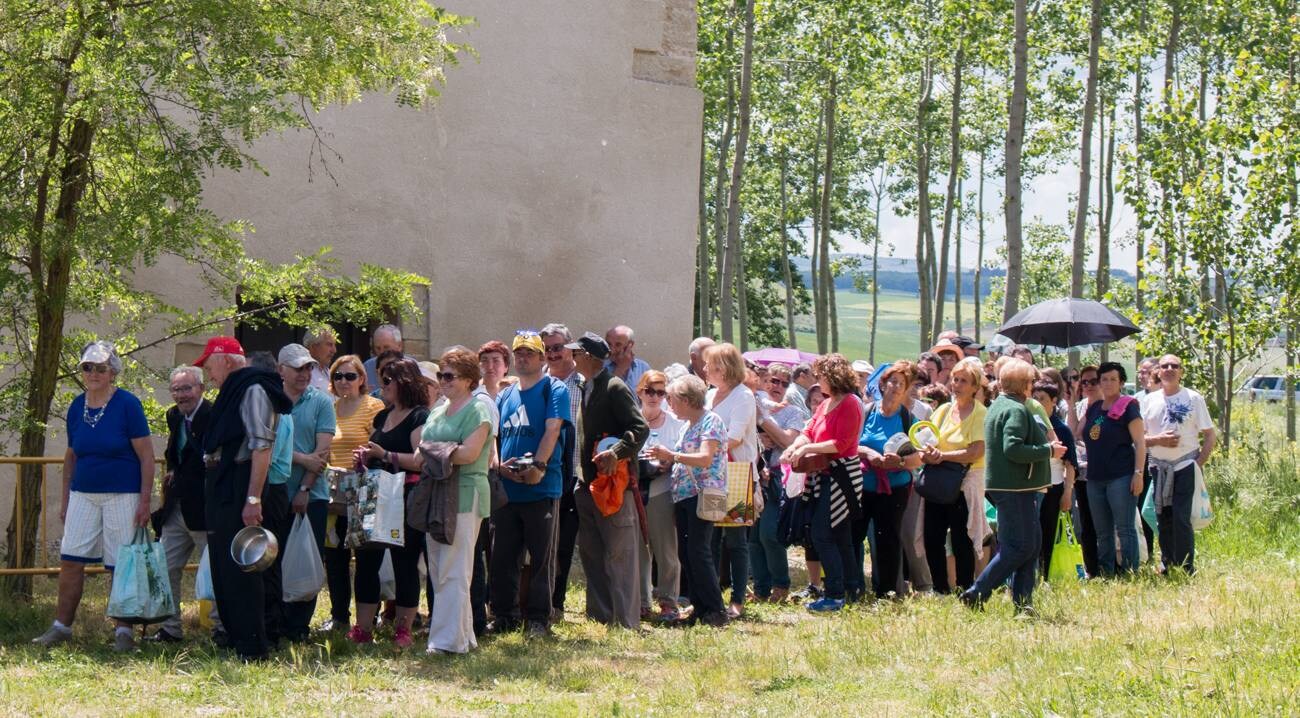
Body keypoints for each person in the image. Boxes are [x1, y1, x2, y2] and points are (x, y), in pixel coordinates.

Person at [34, 342, 154, 652]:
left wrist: (144, 501)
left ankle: (124, 631)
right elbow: (71, 456)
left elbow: (147, 457)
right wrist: (65, 499)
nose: (93, 373)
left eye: (100, 368)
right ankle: (62, 626)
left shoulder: (128, 404)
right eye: (88, 367)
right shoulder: (76, 406)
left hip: (122, 494)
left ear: (113, 371)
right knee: (70, 560)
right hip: (83, 494)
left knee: (120, 564)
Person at [197, 336, 292, 661]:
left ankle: (253, 646)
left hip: (241, 484)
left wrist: (253, 498)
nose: (209, 376)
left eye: (209, 367)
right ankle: (237, 640)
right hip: (222, 482)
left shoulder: (253, 388)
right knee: (223, 566)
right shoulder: (234, 388)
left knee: (243, 566)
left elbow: (261, 446)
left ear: (224, 359)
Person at [961, 359, 1064, 612]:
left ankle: (1023, 602)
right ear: (1024, 385)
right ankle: (977, 592)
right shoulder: (1016, 410)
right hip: (1016, 487)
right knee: (1020, 547)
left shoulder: (998, 406)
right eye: (1031, 382)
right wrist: (1048, 450)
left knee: (1030, 544)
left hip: (1010, 486)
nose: (1032, 386)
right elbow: (1013, 448)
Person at [489, 331, 571, 637]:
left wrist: (538, 466)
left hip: (541, 487)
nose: (524, 358)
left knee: (541, 559)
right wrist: (498, 467)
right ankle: (504, 615)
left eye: (530, 353)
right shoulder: (504, 395)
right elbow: (493, 437)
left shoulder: (554, 389)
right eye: (519, 353)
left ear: (540, 358)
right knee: (503, 558)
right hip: (508, 491)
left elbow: (552, 430)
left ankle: (538, 619)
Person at [568, 332, 649, 629]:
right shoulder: (584, 385)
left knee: (620, 556)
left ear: (588, 357)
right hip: (587, 485)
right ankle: (601, 616)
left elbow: (639, 429)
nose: (571, 357)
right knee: (593, 554)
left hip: (613, 486)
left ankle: (626, 623)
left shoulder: (615, 388)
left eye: (575, 353)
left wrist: (616, 452)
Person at [348, 358, 431, 647]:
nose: (380, 386)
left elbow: (421, 461)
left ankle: (404, 629)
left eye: (386, 381)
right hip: (375, 492)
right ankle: (363, 628)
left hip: (405, 496)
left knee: (404, 562)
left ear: (403, 383)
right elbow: (376, 449)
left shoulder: (420, 416)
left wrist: (384, 455)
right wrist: (364, 455)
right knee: (367, 561)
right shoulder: (383, 417)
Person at [421, 348, 495, 654]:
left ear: (467, 379)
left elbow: (470, 454)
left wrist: (434, 451)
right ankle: (464, 637)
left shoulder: (478, 410)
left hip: (465, 495)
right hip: (437, 493)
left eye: (449, 375)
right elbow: (419, 451)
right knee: (439, 568)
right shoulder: (438, 410)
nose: (443, 381)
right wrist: (441, 450)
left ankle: (445, 642)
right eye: (441, 375)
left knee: (455, 568)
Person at [779, 354, 865, 612]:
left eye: (821, 376)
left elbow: (840, 443)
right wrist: (795, 446)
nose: (818, 380)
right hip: (823, 476)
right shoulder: (825, 404)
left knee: (823, 533)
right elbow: (808, 431)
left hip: (841, 476)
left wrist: (806, 451)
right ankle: (852, 588)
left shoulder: (851, 403)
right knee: (839, 536)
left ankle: (835, 593)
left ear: (833, 376)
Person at [147, 365, 220, 644]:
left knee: (214, 572)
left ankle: (220, 630)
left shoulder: (214, 415)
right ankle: (170, 629)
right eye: (176, 389)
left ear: (201, 388)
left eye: (187, 388)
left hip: (205, 507)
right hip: (176, 506)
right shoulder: (174, 416)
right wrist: (173, 473)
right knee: (165, 566)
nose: (181, 395)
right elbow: (175, 455)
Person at [649, 375, 728, 626]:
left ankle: (715, 610)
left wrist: (671, 455)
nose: (668, 404)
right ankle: (700, 608)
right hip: (684, 496)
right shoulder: (688, 425)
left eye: (671, 399)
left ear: (685, 399)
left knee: (699, 551)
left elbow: (705, 458)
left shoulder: (710, 421)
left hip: (702, 495)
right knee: (687, 553)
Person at [276, 344, 336, 642]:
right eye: (298, 368)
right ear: (281, 370)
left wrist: (304, 488)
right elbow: (268, 447)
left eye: (308, 367)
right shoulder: (270, 399)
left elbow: (322, 452)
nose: (304, 374)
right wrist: (300, 458)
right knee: (276, 557)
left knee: (306, 557)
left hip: (311, 494)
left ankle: (298, 627)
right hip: (275, 491)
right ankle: (276, 620)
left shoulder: (322, 402)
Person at [322, 354, 384, 632]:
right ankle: (338, 617)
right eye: (338, 376)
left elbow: (377, 445)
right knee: (335, 558)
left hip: (364, 489)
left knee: (366, 559)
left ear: (362, 379)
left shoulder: (374, 406)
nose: (344, 381)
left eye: (350, 376)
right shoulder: (329, 408)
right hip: (333, 492)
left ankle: (366, 620)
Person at [1142, 354, 1216, 575]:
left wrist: (1199, 462)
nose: (1170, 369)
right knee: (1163, 516)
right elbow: (1139, 438)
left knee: (1181, 517)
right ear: (1158, 371)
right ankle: (1167, 563)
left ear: (1182, 372)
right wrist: (1158, 441)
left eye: (1175, 366)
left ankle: (1186, 567)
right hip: (1158, 466)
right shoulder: (1149, 400)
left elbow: (1210, 435)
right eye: (1165, 366)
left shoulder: (1193, 398)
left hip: (1185, 465)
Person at [919, 358, 987, 595]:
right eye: (955, 379)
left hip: (964, 485)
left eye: (964, 381)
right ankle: (939, 588)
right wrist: (928, 453)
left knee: (962, 539)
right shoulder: (943, 410)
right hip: (938, 482)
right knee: (932, 537)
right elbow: (928, 439)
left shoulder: (980, 413)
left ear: (975, 387)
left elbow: (976, 451)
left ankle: (966, 587)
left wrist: (943, 456)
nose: (957, 385)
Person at [858, 361, 924, 599]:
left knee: (888, 539)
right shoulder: (865, 413)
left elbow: (918, 459)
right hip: (862, 486)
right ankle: (853, 586)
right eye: (892, 382)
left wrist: (899, 462)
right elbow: (850, 445)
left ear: (906, 389)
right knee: (854, 536)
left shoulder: (909, 419)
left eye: (901, 384)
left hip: (894, 488)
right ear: (882, 384)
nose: (896, 387)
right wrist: (868, 454)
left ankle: (886, 592)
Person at [702, 342, 757, 618]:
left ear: (722, 368)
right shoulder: (710, 395)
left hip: (735, 473)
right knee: (709, 539)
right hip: (711, 475)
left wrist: (702, 448)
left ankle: (737, 599)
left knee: (735, 540)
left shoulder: (744, 396)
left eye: (709, 365)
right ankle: (711, 598)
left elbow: (734, 437)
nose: (704, 370)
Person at [1081, 361, 1146, 576]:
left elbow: (1140, 442)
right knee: (1103, 532)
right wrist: (1074, 396)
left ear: (1121, 382)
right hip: (1095, 478)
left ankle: (1129, 572)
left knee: (1125, 528)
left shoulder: (1128, 406)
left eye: (1112, 379)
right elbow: (1076, 432)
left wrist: (1138, 474)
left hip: (1121, 475)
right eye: (1104, 379)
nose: (1107, 383)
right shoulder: (1094, 408)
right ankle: (1106, 573)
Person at [750, 362, 807, 603]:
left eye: (785, 383)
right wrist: (758, 438)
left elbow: (787, 440)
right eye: (774, 381)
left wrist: (764, 422)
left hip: (776, 478)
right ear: (763, 381)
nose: (779, 387)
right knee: (753, 536)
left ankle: (781, 585)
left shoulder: (794, 412)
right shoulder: (750, 403)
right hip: (753, 475)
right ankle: (761, 588)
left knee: (770, 533)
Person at [540, 323, 585, 619]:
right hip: (543, 471)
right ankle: (538, 601)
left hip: (576, 474)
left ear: (570, 348)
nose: (553, 354)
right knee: (542, 542)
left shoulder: (585, 383)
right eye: (548, 349)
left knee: (565, 542)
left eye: (558, 347)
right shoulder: (537, 383)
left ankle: (556, 603)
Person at [636, 370, 687, 618]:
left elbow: (683, 458)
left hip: (662, 490)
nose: (654, 397)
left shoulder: (675, 424)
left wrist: (670, 462)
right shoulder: (632, 420)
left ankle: (668, 601)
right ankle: (642, 602)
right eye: (649, 391)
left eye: (660, 392)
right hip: (634, 491)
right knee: (639, 550)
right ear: (640, 392)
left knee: (666, 550)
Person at [1031, 381, 1079, 578]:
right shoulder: (1029, 426)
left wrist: (1067, 494)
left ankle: (1047, 574)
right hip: (1033, 486)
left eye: (1042, 399)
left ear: (1054, 401)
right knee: (1033, 533)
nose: (1038, 403)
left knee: (1049, 532)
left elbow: (1070, 465)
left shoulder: (1062, 429)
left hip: (1054, 487)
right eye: (1035, 398)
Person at [1069, 365, 1102, 577]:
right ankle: (1092, 567)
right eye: (1084, 382)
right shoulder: (1079, 407)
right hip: (1082, 473)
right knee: (1086, 522)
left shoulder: (1107, 407)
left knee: (1103, 521)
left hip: (1102, 471)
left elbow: (1087, 433)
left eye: (1093, 381)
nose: (1088, 386)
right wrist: (1072, 401)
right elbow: (1073, 433)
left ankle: (1111, 564)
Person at [605, 325, 652, 396]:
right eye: (609, 344)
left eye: (618, 345)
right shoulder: (599, 366)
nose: (612, 350)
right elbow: (602, 396)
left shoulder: (643, 367)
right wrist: (621, 368)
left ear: (630, 345)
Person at [363, 324, 405, 389]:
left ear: (399, 346)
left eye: (386, 347)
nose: (382, 352)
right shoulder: (367, 367)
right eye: (378, 348)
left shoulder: (413, 368)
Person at [304, 326, 338, 394]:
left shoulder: (328, 372)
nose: (334, 350)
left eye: (334, 345)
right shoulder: (302, 374)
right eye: (329, 344)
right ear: (313, 347)